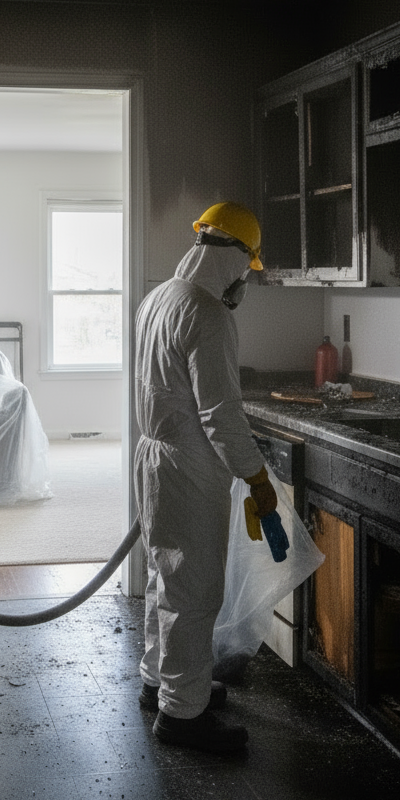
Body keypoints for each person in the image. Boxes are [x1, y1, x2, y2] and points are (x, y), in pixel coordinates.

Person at [134, 200, 289, 753]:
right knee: (194, 590)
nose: (246, 279)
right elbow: (220, 414)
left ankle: (164, 682)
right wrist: (256, 476)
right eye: (249, 266)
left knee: (163, 576)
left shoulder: (159, 298)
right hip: (190, 465)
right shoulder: (209, 314)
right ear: (237, 258)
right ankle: (182, 715)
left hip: (154, 456)